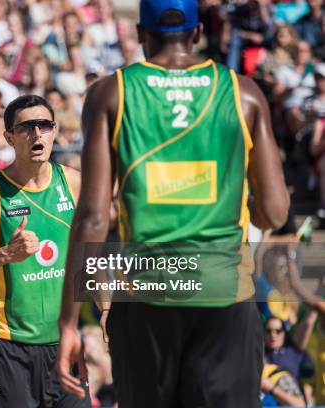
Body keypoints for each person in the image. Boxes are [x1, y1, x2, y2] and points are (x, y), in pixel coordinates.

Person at [57, 1, 290, 407]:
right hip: (225, 292)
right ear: (198, 32)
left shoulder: (111, 93)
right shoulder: (244, 94)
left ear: (141, 34)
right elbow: (274, 212)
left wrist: (69, 324)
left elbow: (93, 217)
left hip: (149, 296)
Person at [0, 95, 87, 406]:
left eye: (44, 126)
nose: (37, 134)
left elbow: (92, 255)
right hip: (7, 349)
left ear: (54, 131)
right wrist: (4, 254)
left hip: (63, 342)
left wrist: (105, 310)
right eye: (26, 127)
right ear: (9, 136)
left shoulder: (74, 183)